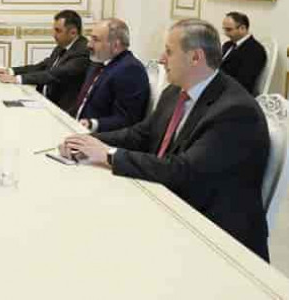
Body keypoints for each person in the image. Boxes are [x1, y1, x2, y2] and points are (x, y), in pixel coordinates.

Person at [61, 19, 270, 261]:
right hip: (171, 201)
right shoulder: (176, 91)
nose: (161, 59)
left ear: (196, 57)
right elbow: (141, 134)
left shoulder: (234, 111)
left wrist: (109, 155)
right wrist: (88, 140)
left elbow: (184, 171)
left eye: (169, 52)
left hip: (216, 236)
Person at [0, 9, 89, 113]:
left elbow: (55, 74)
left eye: (58, 31)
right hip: (42, 98)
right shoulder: (63, 46)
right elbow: (42, 66)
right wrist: (11, 71)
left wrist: (18, 79)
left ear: (73, 32)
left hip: (60, 108)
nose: (54, 34)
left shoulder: (82, 51)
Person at [72, 18, 149, 132]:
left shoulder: (131, 70)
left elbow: (127, 120)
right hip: (76, 128)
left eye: (95, 40)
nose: (89, 45)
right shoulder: (98, 62)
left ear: (115, 45)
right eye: (90, 39)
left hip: (99, 136)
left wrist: (92, 124)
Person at [220, 12, 267, 95]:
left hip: (234, 94)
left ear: (242, 28)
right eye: (224, 29)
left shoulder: (255, 50)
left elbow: (244, 82)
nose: (226, 33)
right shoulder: (228, 45)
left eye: (229, 30)